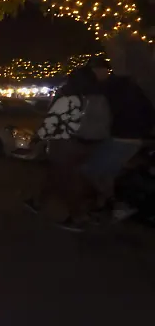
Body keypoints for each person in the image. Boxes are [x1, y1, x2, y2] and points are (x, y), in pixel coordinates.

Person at [25, 66, 103, 231]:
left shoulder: (67, 98)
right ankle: (37, 201)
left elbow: (51, 122)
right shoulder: (91, 98)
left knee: (66, 182)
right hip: (86, 144)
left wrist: (37, 138)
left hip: (64, 145)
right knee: (57, 175)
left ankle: (78, 217)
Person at [82, 57, 155, 221]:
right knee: (106, 174)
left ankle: (118, 205)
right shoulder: (129, 88)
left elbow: (101, 115)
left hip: (122, 138)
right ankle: (104, 205)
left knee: (92, 170)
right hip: (130, 137)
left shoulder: (108, 88)